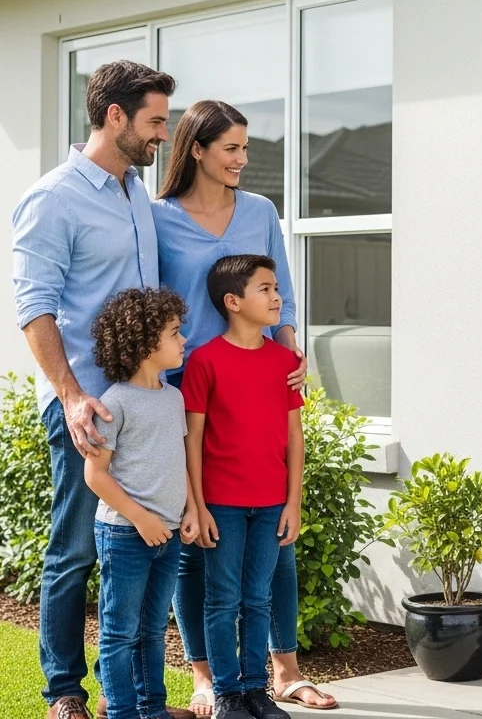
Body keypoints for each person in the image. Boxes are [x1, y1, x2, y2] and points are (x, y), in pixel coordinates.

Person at [10, 60, 197, 719]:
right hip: (88, 406)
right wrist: (68, 394)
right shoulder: (54, 198)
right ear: (114, 117)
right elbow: (34, 306)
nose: (161, 136)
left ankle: (144, 698)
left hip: (147, 403)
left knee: (148, 547)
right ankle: (63, 692)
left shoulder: (135, 193)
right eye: (153, 122)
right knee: (75, 549)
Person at [153, 101, 334, 713]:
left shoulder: (259, 211)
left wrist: (290, 359)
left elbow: (280, 286)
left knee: (271, 548)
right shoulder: (158, 218)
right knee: (196, 540)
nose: (241, 160)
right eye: (230, 148)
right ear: (196, 149)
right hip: (186, 391)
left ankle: (280, 673)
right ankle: (209, 678)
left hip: (257, 386)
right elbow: (150, 302)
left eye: (245, 148)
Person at [182, 255, 304, 719]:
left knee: (258, 598)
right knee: (222, 600)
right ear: (233, 301)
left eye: (276, 289)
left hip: (272, 503)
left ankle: (257, 690)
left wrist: (292, 502)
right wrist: (199, 504)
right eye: (266, 289)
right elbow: (192, 440)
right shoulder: (204, 361)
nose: (277, 298)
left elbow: (295, 436)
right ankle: (228, 694)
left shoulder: (283, 362)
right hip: (223, 505)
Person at [84, 288, 199, 719]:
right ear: (145, 342)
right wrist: (141, 519)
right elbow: (95, 475)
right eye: (175, 332)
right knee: (119, 632)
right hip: (124, 533)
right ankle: (122, 713)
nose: (184, 339)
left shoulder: (173, 397)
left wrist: (188, 510)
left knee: (152, 630)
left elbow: (179, 461)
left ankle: (152, 710)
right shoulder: (114, 403)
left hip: (167, 532)